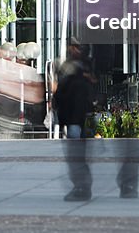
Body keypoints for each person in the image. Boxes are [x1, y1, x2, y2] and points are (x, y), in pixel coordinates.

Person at [53, 37, 96, 200]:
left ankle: (81, 187)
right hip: (73, 118)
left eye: (76, 47)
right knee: (75, 155)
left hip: (75, 119)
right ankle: (81, 186)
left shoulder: (77, 69)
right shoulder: (77, 67)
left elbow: (75, 95)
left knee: (76, 155)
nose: (73, 49)